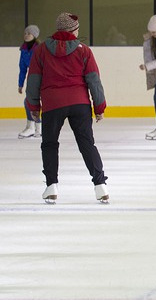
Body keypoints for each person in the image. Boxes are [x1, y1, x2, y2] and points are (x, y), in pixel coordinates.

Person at [25, 12, 109, 204]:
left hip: (52, 104)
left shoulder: (42, 50)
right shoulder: (84, 50)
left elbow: (34, 80)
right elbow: (94, 80)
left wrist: (33, 105)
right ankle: (100, 186)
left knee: (49, 144)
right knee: (87, 143)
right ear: (74, 30)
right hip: (79, 104)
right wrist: (99, 106)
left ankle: (51, 186)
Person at [17, 25, 41, 139]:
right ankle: (34, 127)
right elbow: (22, 68)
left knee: (32, 102)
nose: (26, 35)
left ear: (34, 35)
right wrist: (20, 84)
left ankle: (36, 127)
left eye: (29, 33)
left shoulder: (39, 48)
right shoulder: (24, 49)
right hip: (31, 78)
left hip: (41, 77)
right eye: (25, 33)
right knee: (29, 102)